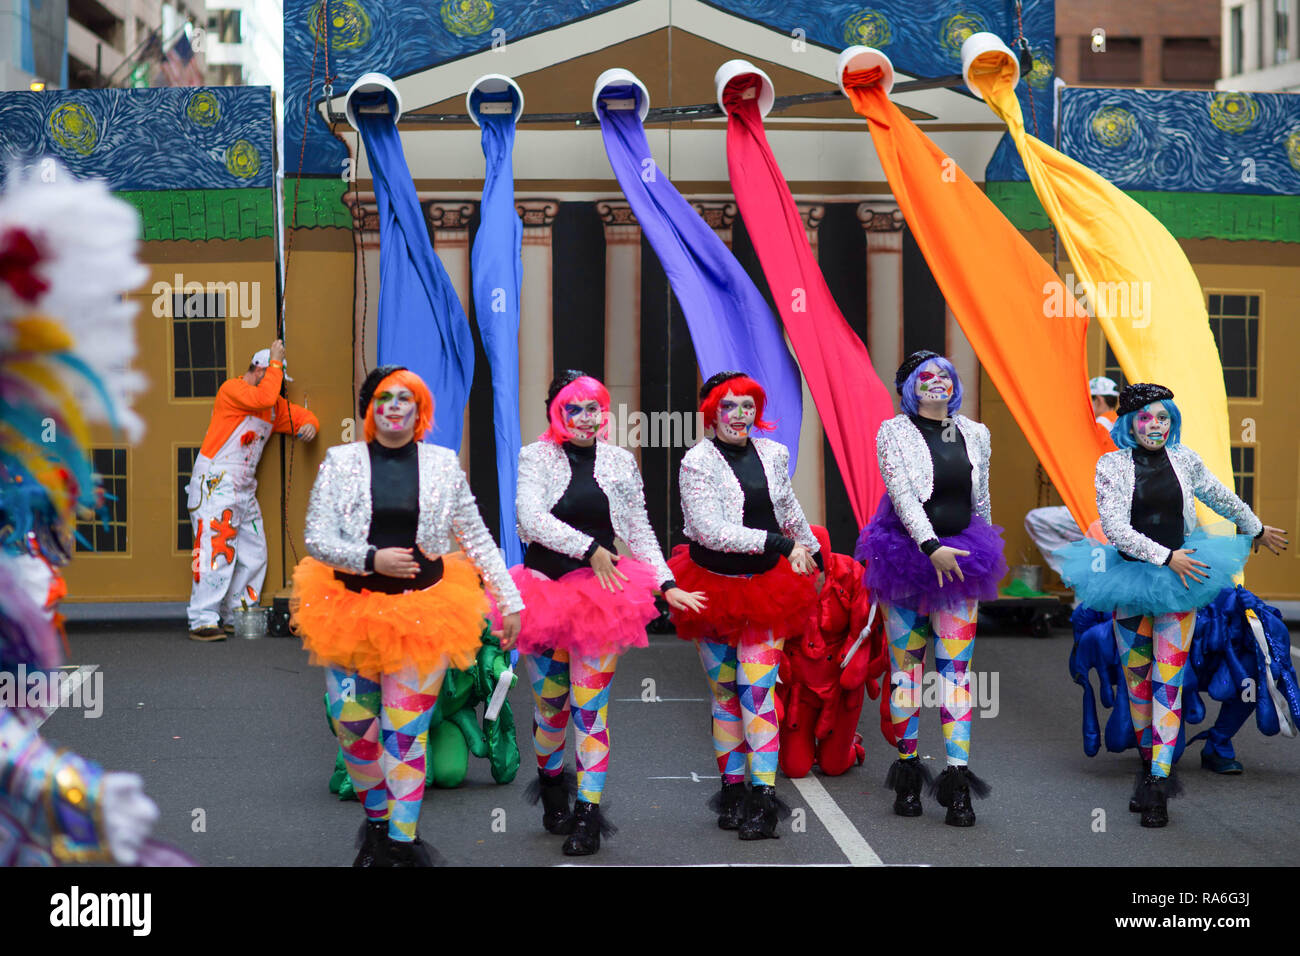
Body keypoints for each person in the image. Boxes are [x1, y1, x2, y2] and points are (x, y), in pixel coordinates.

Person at [291, 365, 523, 865]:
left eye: (406, 399)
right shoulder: (341, 462)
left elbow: (477, 537)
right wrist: (371, 559)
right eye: (384, 398)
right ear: (368, 408)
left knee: (405, 733)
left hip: (424, 614)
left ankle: (400, 841)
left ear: (420, 411)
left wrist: (511, 601)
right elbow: (317, 537)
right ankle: (377, 823)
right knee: (354, 730)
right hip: (349, 611)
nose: (394, 406)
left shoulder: (442, 464)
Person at [1056, 382, 1287, 827]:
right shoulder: (1111, 465)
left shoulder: (1185, 459)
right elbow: (1115, 528)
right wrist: (1165, 556)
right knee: (1139, 686)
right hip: (1131, 581)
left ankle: (1159, 782)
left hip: (1181, 584)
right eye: (1147, 418)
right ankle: (1149, 767)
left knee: (1168, 682)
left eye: (1164, 418)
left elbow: (1220, 496)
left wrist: (1254, 527)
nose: (1156, 426)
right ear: (1130, 423)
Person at [510, 370, 705, 856]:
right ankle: (554, 787)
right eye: (573, 408)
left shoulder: (619, 463)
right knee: (550, 709)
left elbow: (639, 531)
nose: (583, 418)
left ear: (603, 414)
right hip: (543, 592)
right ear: (556, 411)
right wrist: (589, 548)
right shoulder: (535, 456)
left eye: (593, 408)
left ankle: (588, 816)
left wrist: (665, 583)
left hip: (601, 599)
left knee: (589, 709)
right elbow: (529, 519)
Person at [667, 370, 821, 840]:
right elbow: (711, 529)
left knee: (757, 693)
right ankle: (732, 791)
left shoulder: (774, 453)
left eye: (748, 406)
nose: (739, 416)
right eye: (728, 406)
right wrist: (779, 543)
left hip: (766, 589)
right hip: (711, 587)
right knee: (725, 694)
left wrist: (812, 549)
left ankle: (762, 799)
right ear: (711, 411)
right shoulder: (696, 461)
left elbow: (787, 507)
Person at [857, 351, 1006, 827]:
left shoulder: (976, 433)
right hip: (906, 558)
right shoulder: (893, 432)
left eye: (944, 374)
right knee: (907, 671)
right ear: (910, 388)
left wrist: (981, 542)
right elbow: (901, 493)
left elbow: (979, 496)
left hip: (962, 560)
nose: (937, 382)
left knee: (956, 674)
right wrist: (928, 545)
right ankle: (908, 774)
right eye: (926, 376)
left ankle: (957, 782)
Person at [186, 340, 319, 640]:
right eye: (275, 376)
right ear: (260, 370)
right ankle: (202, 619)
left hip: (243, 488)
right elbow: (263, 398)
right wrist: (275, 362)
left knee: (254, 551)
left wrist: (310, 423)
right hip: (216, 483)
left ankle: (239, 613)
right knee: (215, 549)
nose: (280, 387)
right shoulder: (232, 390)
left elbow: (296, 415)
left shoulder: (270, 408)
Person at [776, 524, 884, 779]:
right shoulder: (779, 579)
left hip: (839, 683)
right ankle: (808, 744)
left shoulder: (851, 574)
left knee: (833, 766)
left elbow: (864, 630)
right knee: (794, 768)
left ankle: (850, 745)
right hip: (798, 688)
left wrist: (857, 665)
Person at [1024, 376, 1120, 578]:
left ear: (1099, 401)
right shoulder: (1122, 424)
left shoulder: (1099, 425)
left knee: (1036, 520)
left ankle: (1075, 571)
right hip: (1118, 513)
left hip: (1097, 511)